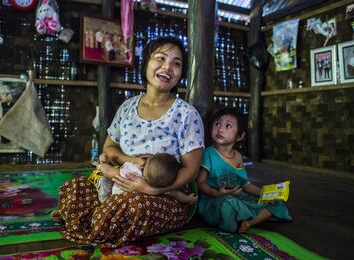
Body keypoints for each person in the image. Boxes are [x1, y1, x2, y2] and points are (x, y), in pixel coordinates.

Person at [52, 36, 204, 247]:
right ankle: (98, 220)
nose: (167, 67)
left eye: (176, 63)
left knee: (133, 207)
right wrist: (131, 159)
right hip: (118, 183)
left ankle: (87, 220)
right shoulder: (127, 107)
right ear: (146, 64)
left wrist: (152, 190)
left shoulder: (187, 115)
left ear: (180, 74)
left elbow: (191, 170)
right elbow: (109, 147)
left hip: (163, 197)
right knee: (74, 187)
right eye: (160, 58)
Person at [197, 107, 291, 234]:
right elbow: (200, 182)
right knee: (228, 204)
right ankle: (236, 221)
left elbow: (245, 185)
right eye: (217, 123)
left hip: (235, 200)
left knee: (276, 202)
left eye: (228, 125)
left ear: (240, 135)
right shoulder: (208, 153)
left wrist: (266, 193)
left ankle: (247, 223)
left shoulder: (238, 157)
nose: (220, 128)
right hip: (213, 202)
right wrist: (216, 193)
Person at [90, 153, 197, 204]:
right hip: (126, 203)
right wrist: (189, 199)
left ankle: (104, 201)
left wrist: (101, 164)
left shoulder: (133, 171)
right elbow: (176, 194)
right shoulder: (164, 188)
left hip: (114, 195)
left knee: (105, 181)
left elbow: (111, 172)